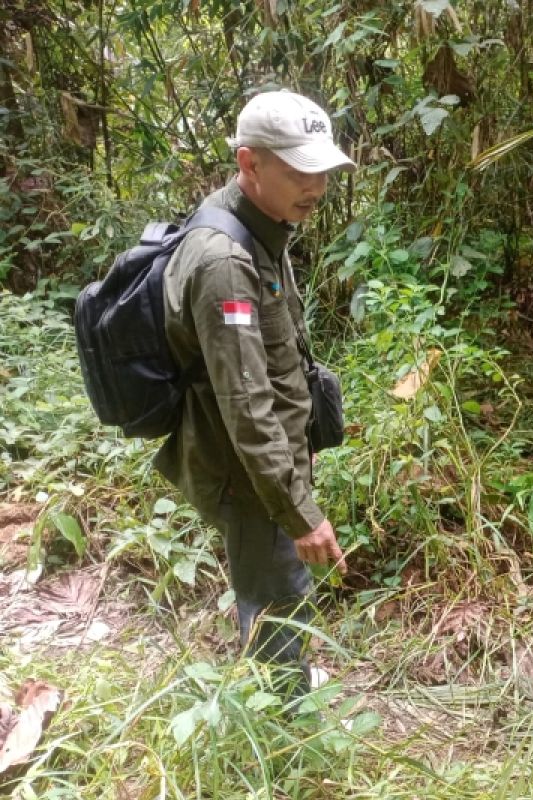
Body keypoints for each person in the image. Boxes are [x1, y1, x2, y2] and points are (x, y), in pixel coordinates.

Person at [153, 90, 354, 689]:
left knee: (269, 580)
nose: (314, 186)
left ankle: (278, 682)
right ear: (250, 164)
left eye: (320, 169)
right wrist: (300, 512)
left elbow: (271, 361)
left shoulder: (261, 222)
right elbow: (246, 407)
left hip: (265, 462)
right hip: (247, 470)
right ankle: (284, 724)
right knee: (278, 589)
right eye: (297, 170)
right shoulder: (226, 261)